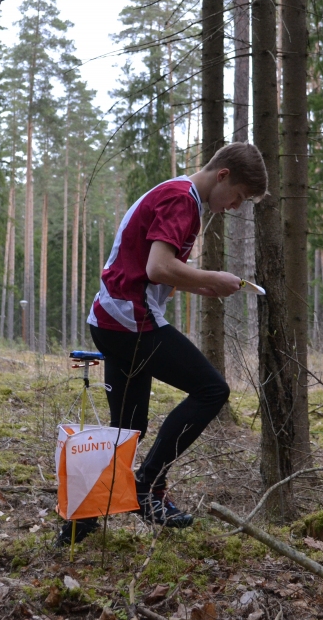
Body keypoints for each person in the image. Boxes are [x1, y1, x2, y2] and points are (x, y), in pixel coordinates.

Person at [56, 142, 268, 546]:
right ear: (223, 175)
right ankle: (147, 487)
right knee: (212, 390)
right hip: (129, 321)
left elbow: (154, 269)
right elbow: (157, 266)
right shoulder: (181, 200)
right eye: (238, 197)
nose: (236, 207)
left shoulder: (181, 194)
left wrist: (201, 286)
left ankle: (78, 524)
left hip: (110, 319)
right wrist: (212, 275)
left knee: (126, 429)